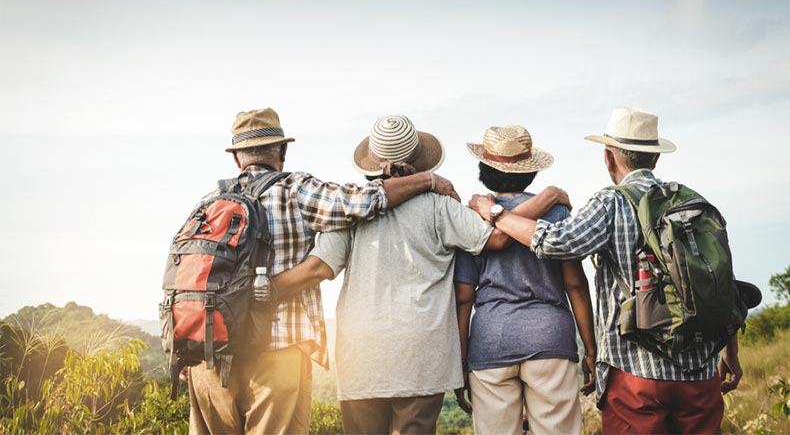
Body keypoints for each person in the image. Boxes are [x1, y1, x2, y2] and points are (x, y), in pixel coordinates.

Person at [273, 115, 570, 435]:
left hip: (361, 353)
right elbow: (496, 237)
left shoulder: (352, 207)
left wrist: (260, 290)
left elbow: (318, 268)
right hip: (422, 353)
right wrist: (548, 198)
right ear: (420, 160)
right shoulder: (440, 206)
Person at [467, 107, 742, 435]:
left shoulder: (610, 203)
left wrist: (494, 212)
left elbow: (556, 243)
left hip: (636, 369)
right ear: (655, 159)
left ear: (609, 157)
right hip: (700, 369)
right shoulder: (694, 203)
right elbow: (719, 281)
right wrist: (730, 351)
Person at [187, 108, 460, 435]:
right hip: (277, 351)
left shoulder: (206, 203)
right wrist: (428, 180)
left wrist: (187, 346)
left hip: (209, 353)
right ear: (283, 152)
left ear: (236, 159)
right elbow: (367, 201)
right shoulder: (296, 189)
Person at [453, 124, 596, 435]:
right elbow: (575, 284)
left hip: (491, 342)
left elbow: (463, 297)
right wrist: (590, 347)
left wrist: (460, 359)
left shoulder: (472, 216)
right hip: (551, 340)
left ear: (484, 169)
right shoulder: (556, 212)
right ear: (530, 172)